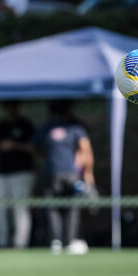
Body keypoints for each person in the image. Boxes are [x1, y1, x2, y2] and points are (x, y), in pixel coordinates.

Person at [32, 100, 95, 254]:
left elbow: (34, 147)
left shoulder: (48, 128)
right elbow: (86, 150)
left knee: (54, 207)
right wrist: (88, 173)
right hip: (69, 173)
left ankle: (57, 241)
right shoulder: (75, 128)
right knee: (70, 207)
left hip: (54, 173)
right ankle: (68, 240)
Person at [0, 101, 35, 248]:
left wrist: (15, 145)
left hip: (22, 172)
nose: (9, 110)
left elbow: (35, 148)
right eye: (7, 107)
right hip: (2, 173)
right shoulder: (1, 125)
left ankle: (20, 243)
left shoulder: (26, 125)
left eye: (12, 106)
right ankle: (1, 241)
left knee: (20, 208)